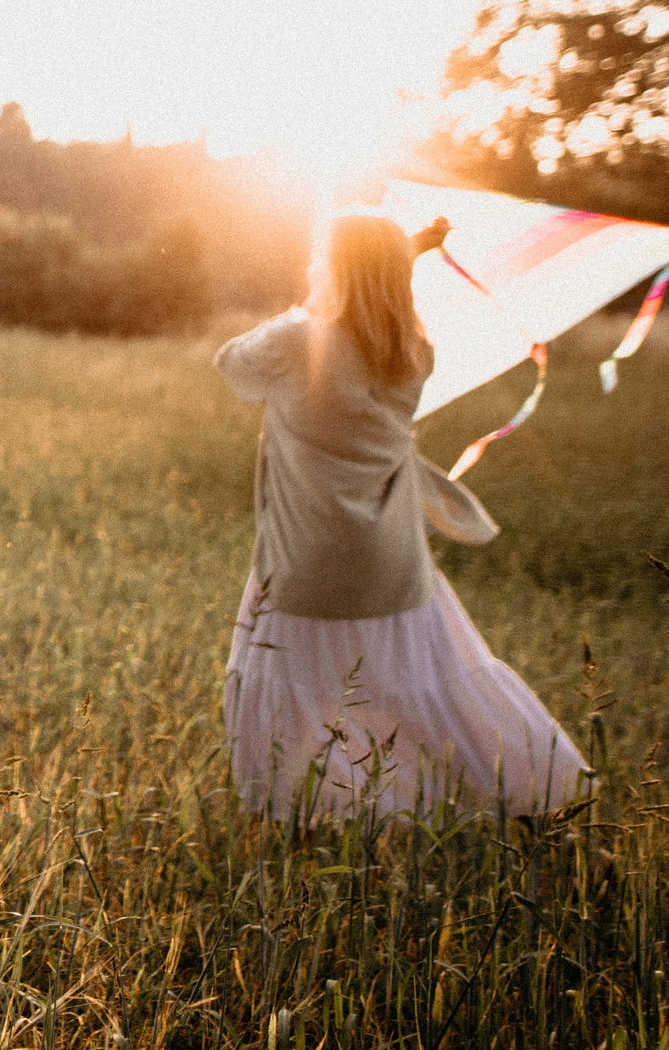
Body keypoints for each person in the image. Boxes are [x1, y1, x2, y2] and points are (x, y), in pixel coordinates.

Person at [214, 212, 588, 821]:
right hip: (394, 558)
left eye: (322, 258)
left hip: (307, 558)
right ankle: (533, 789)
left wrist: (324, 293)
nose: (312, 265)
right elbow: (368, 307)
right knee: (440, 688)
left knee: (294, 697)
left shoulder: (296, 341)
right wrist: (397, 257)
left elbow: (234, 364)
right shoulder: (412, 349)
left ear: (334, 270)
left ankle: (322, 815)